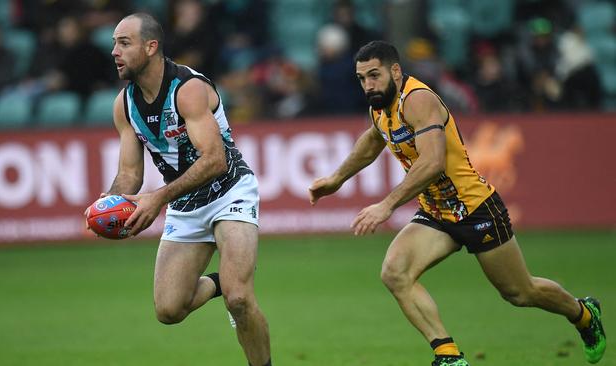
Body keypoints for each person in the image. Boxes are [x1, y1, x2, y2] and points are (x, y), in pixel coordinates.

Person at [308, 40, 606, 366]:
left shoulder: (418, 100)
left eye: (374, 75)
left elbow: (433, 162)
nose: (368, 85)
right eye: (362, 78)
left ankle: (583, 314)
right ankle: (448, 356)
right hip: (438, 212)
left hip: (475, 207)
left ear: (395, 70)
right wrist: (337, 178)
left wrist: (387, 204)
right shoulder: (379, 106)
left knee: (520, 293)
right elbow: (373, 139)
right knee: (395, 273)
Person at [90, 13, 272, 366]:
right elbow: (129, 174)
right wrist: (110, 203)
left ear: (151, 46)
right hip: (184, 204)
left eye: (124, 43)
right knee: (169, 310)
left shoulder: (188, 89)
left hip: (229, 190)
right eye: (114, 43)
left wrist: (157, 198)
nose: (114, 51)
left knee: (240, 299)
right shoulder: (124, 106)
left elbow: (215, 160)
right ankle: (225, 280)